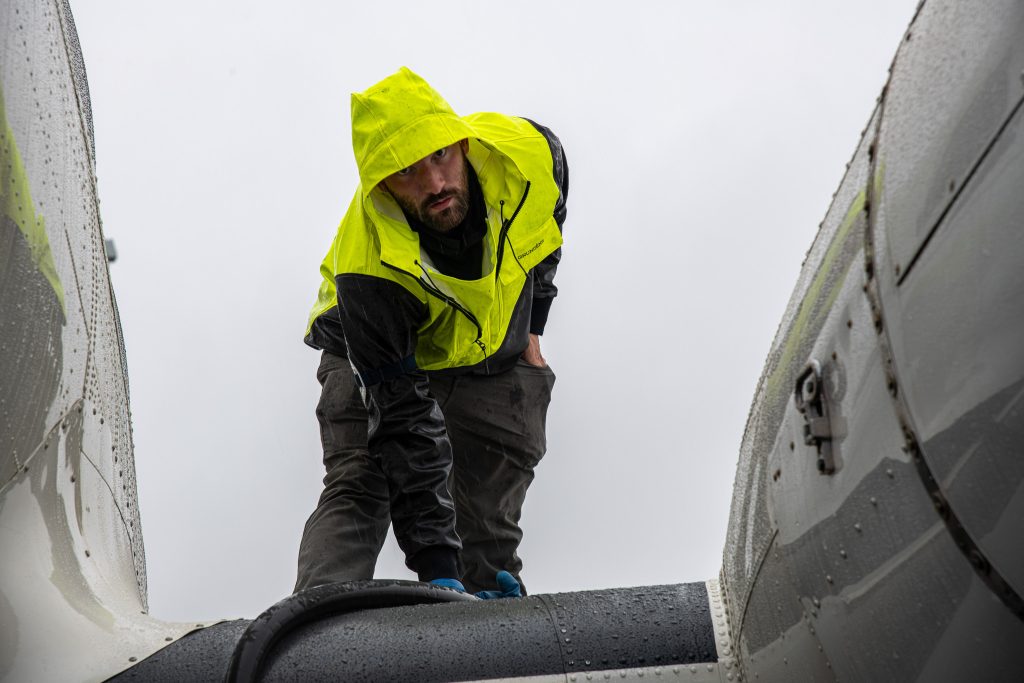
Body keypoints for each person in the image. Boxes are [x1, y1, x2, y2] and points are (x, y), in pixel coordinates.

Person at [294, 67, 569, 597]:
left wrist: (534, 325)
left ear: (462, 142)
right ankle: (316, 634)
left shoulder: (531, 156)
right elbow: (404, 421)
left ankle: (489, 641)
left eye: (440, 157)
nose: (434, 184)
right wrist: (435, 568)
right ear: (382, 187)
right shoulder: (369, 270)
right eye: (406, 173)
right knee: (362, 484)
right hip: (366, 349)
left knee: (488, 512)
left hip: (483, 350)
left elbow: (546, 228)